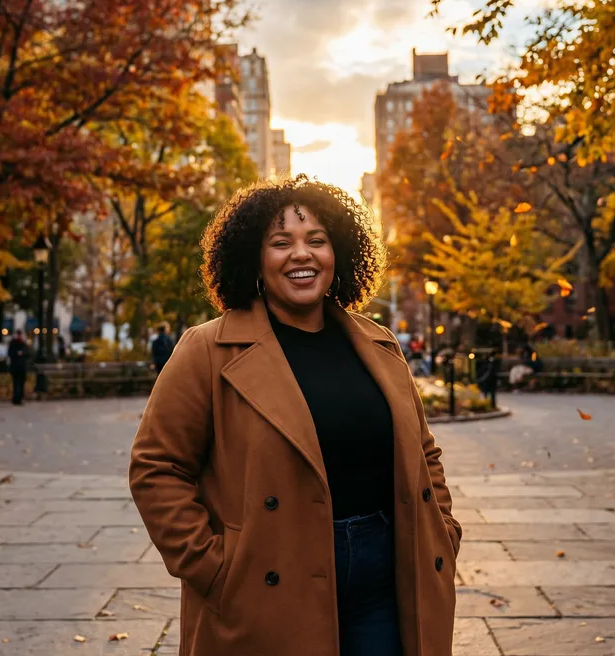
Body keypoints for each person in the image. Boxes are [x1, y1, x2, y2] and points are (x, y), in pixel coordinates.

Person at [130, 176, 461, 656]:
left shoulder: (379, 344)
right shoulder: (207, 348)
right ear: (254, 258)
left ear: (339, 253)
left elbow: (423, 451)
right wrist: (216, 568)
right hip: (266, 581)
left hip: (387, 580)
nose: (301, 255)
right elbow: (156, 467)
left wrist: (444, 531)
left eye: (317, 240)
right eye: (280, 242)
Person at [8, 330, 30, 405]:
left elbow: (27, 353)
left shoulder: (23, 344)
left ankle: (19, 397)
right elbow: (10, 354)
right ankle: (16, 398)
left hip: (21, 367)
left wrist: (22, 353)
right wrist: (18, 353)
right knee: (16, 383)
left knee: (21, 383)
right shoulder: (14, 343)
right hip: (16, 367)